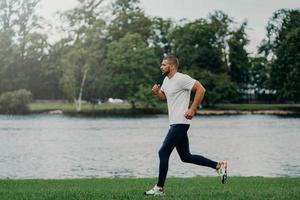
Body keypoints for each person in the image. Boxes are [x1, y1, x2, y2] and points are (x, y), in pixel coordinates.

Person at [144, 54, 228, 196]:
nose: (161, 66)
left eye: (164, 64)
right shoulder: (166, 80)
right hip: (175, 123)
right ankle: (218, 166)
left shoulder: (182, 78)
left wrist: (192, 109)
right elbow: (164, 97)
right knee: (186, 156)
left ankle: (159, 188)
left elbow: (201, 89)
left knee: (163, 152)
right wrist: (157, 92)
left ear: (172, 66)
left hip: (181, 122)